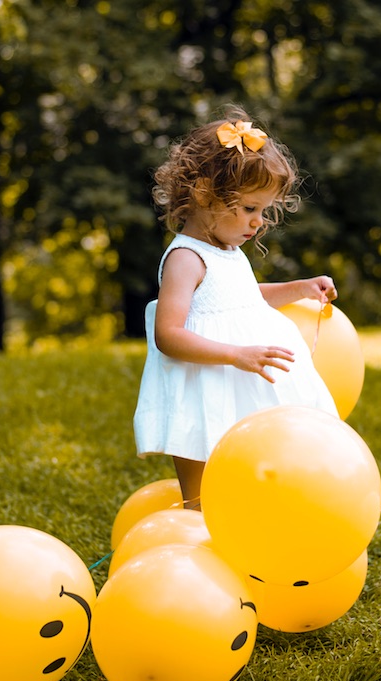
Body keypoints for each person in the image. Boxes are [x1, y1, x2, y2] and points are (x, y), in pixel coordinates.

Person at [133, 107, 339, 509]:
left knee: (252, 481)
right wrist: (235, 355)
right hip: (204, 387)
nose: (259, 222)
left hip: (240, 384)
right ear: (205, 194)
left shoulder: (226, 250)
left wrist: (300, 288)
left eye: (263, 211)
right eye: (249, 209)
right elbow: (168, 334)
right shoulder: (186, 258)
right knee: (203, 494)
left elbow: (242, 300)